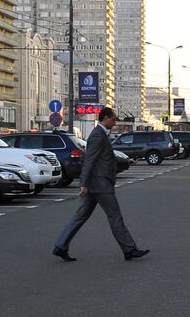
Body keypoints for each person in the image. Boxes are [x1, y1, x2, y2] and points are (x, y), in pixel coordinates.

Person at [52, 107, 149, 262]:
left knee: (80, 216)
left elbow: (106, 158)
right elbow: (89, 160)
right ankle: (129, 249)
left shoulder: (101, 134)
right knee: (115, 216)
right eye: (113, 119)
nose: (115, 122)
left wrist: (126, 161)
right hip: (100, 184)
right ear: (105, 118)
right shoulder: (98, 135)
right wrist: (83, 184)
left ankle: (60, 246)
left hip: (94, 183)